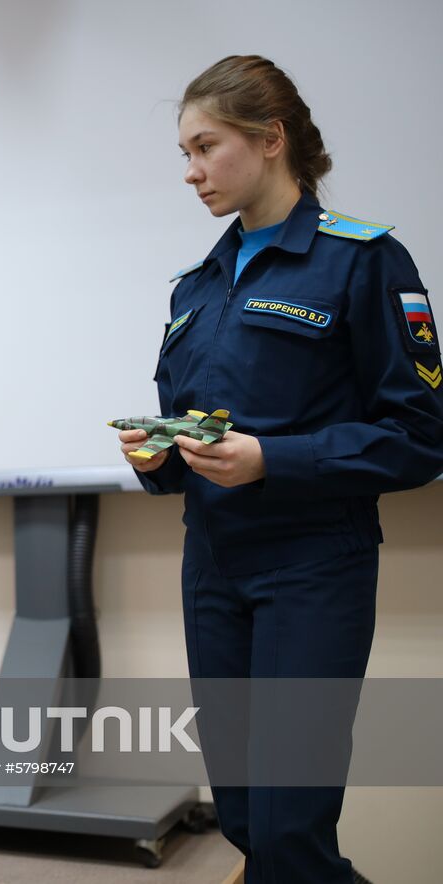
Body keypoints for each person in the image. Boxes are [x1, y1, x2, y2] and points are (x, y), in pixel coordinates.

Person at [117, 55, 443, 883]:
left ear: (270, 139)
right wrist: (159, 457)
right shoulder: (194, 287)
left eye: (205, 146)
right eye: (183, 153)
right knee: (247, 818)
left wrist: (273, 459)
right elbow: (193, 441)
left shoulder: (364, 261)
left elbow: (420, 434)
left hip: (313, 571)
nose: (190, 172)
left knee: (292, 827)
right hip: (213, 569)